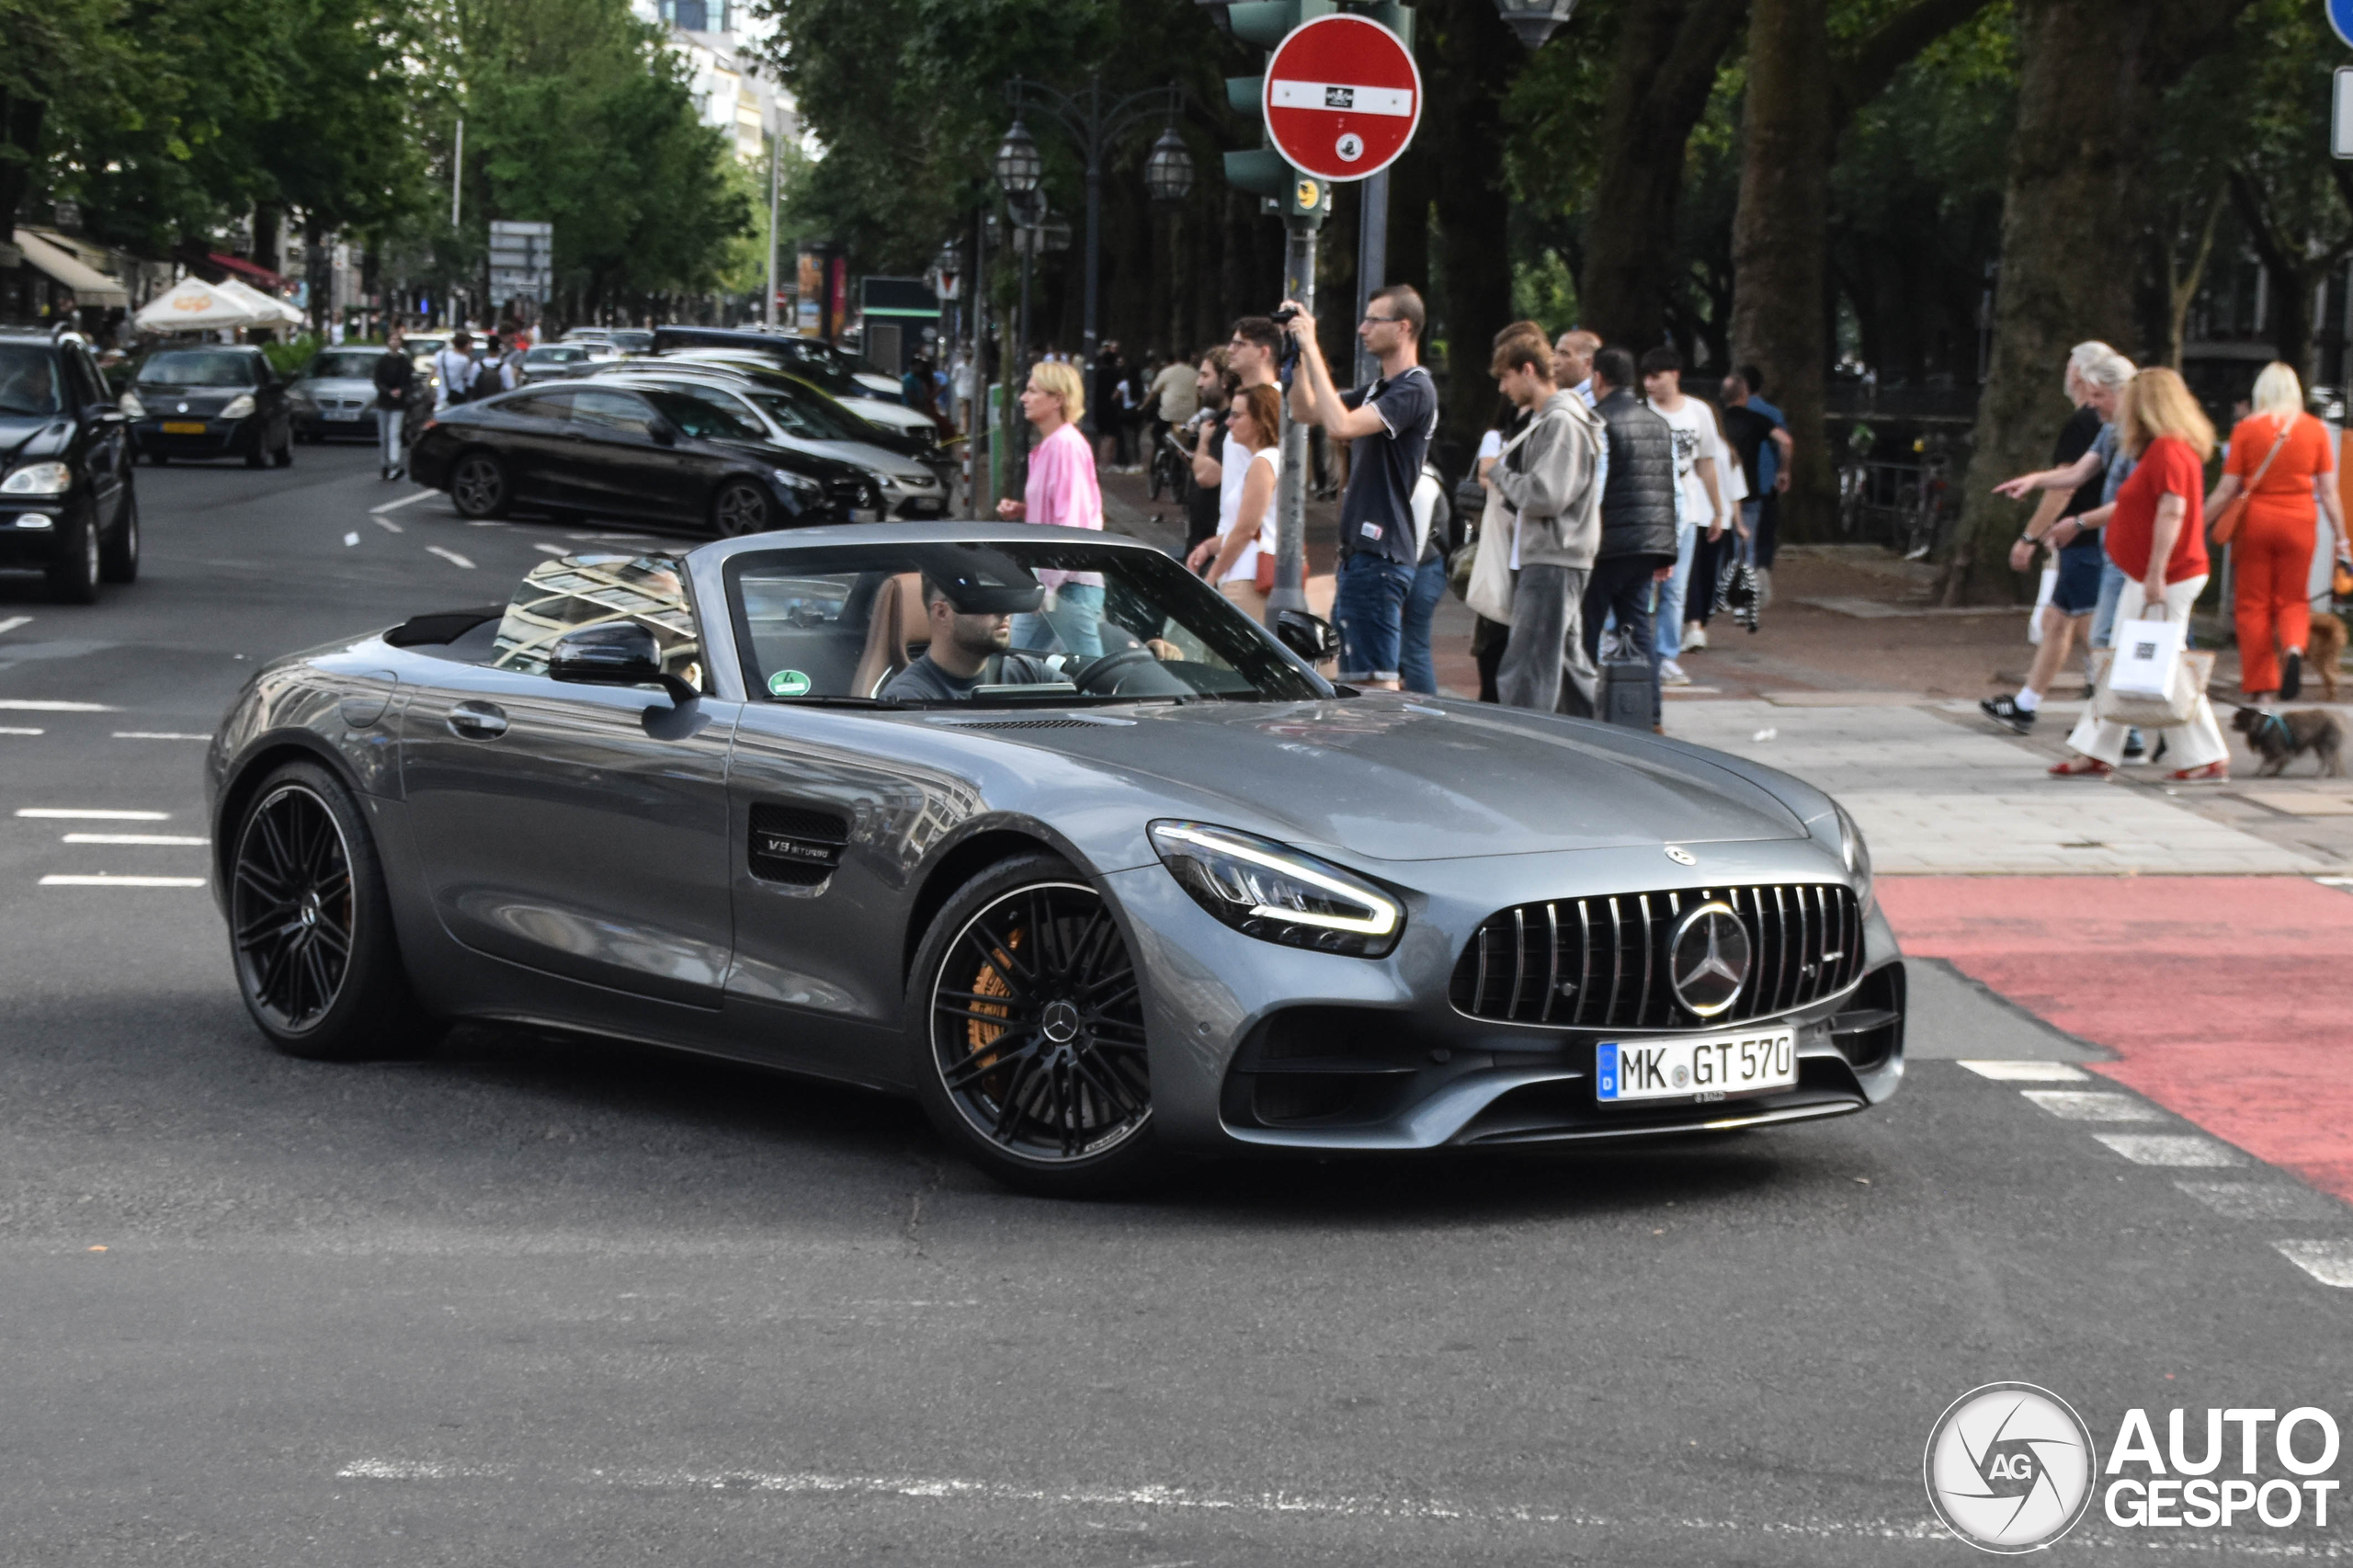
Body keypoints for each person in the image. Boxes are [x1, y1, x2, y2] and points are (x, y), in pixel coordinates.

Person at [2053, 367, 2230, 782]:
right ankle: (2112, 750)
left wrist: (2154, 575)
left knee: (2141, 660)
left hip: (2161, 575)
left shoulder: (2166, 451)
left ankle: (2192, 755)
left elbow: (2172, 513)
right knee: (2135, 659)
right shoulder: (2171, 448)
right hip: (2159, 573)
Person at [1283, 285, 1439, 692]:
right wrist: (1298, 358)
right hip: (1362, 557)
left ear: (1404, 327)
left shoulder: (1415, 388)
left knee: (1375, 685)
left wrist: (1312, 345)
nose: (1362, 328)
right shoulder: (1379, 390)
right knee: (1359, 679)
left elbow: (1341, 426)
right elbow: (1305, 410)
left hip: (1381, 554)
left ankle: (1385, 751)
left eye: (1374, 320)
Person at [1982, 345, 2132, 733]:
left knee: (2094, 630)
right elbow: (2075, 475)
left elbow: (2128, 501)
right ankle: (2033, 704)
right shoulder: (2108, 430)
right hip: (2093, 539)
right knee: (2062, 620)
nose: (2091, 401)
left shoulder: (2122, 434)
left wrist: (2042, 532)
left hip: (2102, 543)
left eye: (2099, 394)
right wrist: (2035, 479)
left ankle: (2120, 724)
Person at [2206, 361, 2347, 703]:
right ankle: (2295, 650)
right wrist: (2342, 538)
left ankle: (2261, 685)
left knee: (2252, 604)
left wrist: (2199, 521)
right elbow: (2328, 491)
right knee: (2293, 599)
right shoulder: (2315, 431)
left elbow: (2227, 488)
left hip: (2256, 521)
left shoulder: (2246, 430)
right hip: (2300, 520)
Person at [1489, 331, 1605, 714]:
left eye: (1505, 377)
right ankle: (1597, 736)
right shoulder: (1559, 419)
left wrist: (1499, 474)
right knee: (1567, 666)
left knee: (1530, 663)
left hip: (1554, 556)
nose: (1504, 388)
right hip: (1561, 554)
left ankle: (1525, 742)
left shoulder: (1560, 422)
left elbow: (1545, 496)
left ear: (1527, 370)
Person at [1583, 348, 1679, 727]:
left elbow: (1598, 486)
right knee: (1639, 631)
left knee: (1586, 630)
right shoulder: (1658, 423)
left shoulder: (1599, 422)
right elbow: (1672, 489)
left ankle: (1584, 709)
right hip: (1648, 542)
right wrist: (1668, 550)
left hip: (1606, 544)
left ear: (1598, 377)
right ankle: (1650, 714)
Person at [995, 359, 1106, 656]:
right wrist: (1023, 509)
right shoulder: (1054, 446)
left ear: (1057, 399)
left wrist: (1050, 585)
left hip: (1066, 585)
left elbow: (1070, 520)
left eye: (1032, 391)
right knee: (1015, 662)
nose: (1023, 398)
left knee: (1092, 673)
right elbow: (1062, 508)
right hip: (1056, 582)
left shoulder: (1065, 446)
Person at [1639, 348, 1729, 687]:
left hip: (1686, 511)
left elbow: (1707, 461)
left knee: (1675, 589)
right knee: (1644, 586)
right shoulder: (1641, 412)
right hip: (1650, 510)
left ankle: (1665, 656)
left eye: (1656, 376)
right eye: (1646, 377)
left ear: (1674, 375)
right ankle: (1636, 649)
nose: (1649, 383)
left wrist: (1717, 510)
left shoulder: (1698, 412)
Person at [880, 575, 1063, 703]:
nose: (1005, 612)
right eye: (987, 600)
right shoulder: (909, 700)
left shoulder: (1031, 676)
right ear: (942, 613)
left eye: (1006, 599)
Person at [1185, 383, 1281, 621]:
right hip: (1244, 575)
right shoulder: (1263, 461)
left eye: (1237, 416)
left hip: (1247, 579)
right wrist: (1209, 547)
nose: (1229, 423)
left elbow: (1247, 529)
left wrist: (1211, 577)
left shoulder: (1263, 462)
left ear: (1261, 419)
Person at [1737, 365, 1791, 602]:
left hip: (1737, 481)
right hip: (1766, 480)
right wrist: (1784, 471)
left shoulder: (1730, 411)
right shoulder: (1772, 413)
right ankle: (1762, 573)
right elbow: (1784, 444)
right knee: (1765, 531)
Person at [1183, 349, 1233, 558]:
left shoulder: (1227, 425)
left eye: (1205, 375)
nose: (1199, 384)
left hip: (1212, 543)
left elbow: (1207, 476)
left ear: (1224, 380)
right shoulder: (1216, 421)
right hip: (1201, 538)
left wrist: (1203, 442)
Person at [372, 328, 415, 481]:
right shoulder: (382, 361)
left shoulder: (405, 361)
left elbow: (409, 382)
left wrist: (400, 391)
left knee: (394, 434)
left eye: (397, 340)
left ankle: (394, 464)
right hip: (384, 402)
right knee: (383, 436)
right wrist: (388, 391)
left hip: (399, 404)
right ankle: (384, 464)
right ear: (388, 342)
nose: (395, 342)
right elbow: (377, 381)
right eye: (392, 339)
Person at [1149, 347, 1198, 475]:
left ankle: (1160, 455)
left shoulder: (1167, 372)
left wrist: (1143, 406)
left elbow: (1154, 391)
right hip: (1189, 415)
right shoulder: (1196, 373)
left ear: (1176, 359)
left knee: (1156, 432)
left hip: (1168, 414)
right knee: (1186, 440)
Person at [1553, 329, 1601, 408]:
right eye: (1554, 353)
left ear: (1588, 363)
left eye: (1564, 354)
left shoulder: (1591, 403)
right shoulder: (1560, 396)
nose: (1554, 361)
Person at [433, 331, 475, 409]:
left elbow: (433, 373)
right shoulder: (464, 360)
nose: (471, 347)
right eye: (470, 344)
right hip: (457, 397)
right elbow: (468, 379)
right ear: (464, 345)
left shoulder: (441, 355)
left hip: (441, 398)